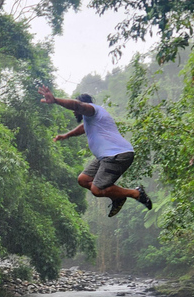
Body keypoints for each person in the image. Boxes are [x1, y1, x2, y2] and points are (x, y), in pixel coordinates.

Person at [38, 85, 152, 217]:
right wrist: (66, 135)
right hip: (106, 157)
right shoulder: (91, 119)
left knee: (96, 190)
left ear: (84, 105)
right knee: (83, 179)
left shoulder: (92, 110)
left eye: (76, 110)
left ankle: (136, 193)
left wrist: (56, 100)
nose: (74, 112)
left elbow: (78, 106)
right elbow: (82, 128)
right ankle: (118, 197)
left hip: (117, 155)